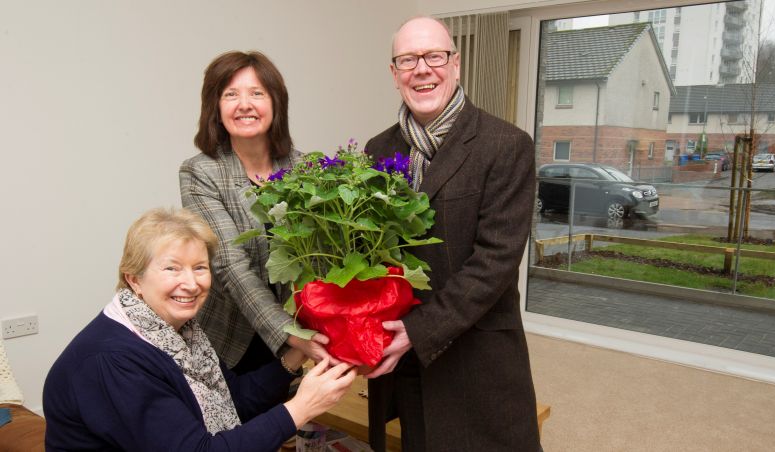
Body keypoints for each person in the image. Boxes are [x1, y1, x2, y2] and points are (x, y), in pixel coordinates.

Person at [364, 16, 542, 452]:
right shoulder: (377, 151)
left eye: (434, 56)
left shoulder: (505, 145)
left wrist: (420, 329)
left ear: (456, 65)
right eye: (407, 59)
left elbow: (495, 263)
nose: (421, 69)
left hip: (477, 355)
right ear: (394, 74)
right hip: (408, 361)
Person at [42, 208, 356, 451]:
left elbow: (235, 400)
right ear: (133, 280)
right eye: (172, 268)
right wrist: (301, 408)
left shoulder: (181, 330)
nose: (191, 284)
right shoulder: (114, 360)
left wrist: (296, 354)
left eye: (200, 268)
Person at [180, 51, 335, 374]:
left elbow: (323, 256)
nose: (244, 104)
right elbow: (230, 264)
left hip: (302, 329)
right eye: (231, 94)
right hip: (229, 342)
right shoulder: (200, 173)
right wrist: (291, 335)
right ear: (215, 107)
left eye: (257, 93)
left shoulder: (305, 168)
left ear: (275, 103)